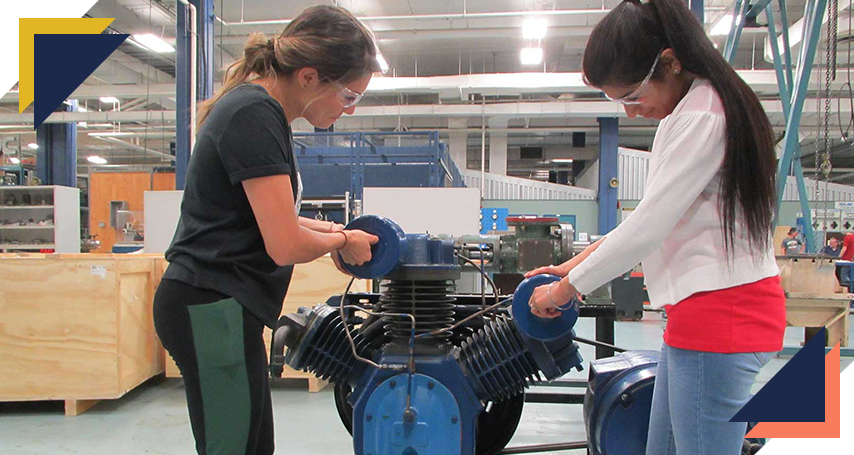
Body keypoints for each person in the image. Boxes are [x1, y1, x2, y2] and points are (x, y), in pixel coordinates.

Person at [525, 1, 785, 454]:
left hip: (722, 319)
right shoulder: (688, 112)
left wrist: (564, 291)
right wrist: (568, 266)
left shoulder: (704, 114)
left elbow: (647, 228)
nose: (630, 113)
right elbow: (651, 218)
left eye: (631, 96)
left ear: (670, 61)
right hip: (698, 317)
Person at [152, 6, 381, 455]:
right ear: (310, 77)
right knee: (232, 447)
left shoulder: (260, 111)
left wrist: (339, 230)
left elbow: (273, 219)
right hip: (209, 306)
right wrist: (340, 240)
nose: (348, 110)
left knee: (254, 446)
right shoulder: (253, 114)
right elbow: (284, 243)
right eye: (349, 96)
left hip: (223, 307)